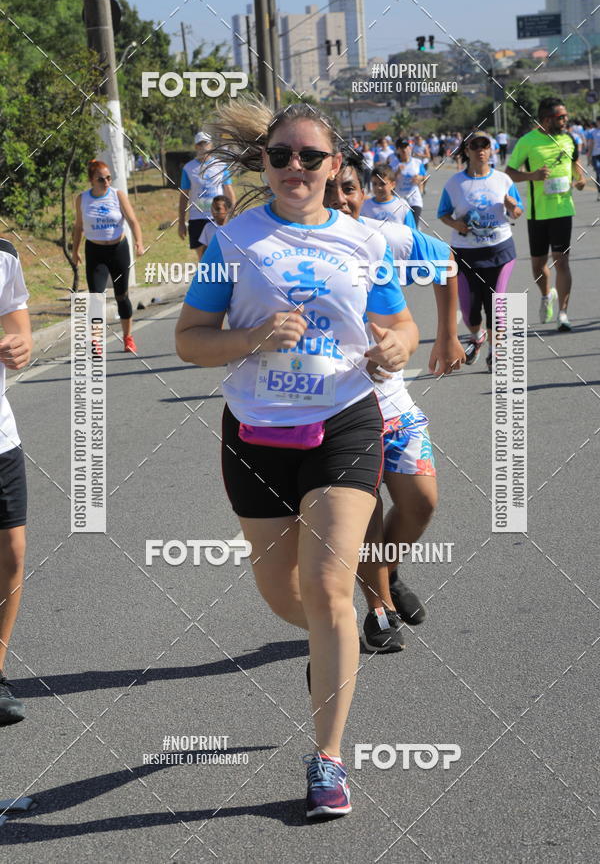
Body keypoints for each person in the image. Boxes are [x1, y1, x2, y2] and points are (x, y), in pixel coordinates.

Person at [175, 98, 418, 818]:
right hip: (255, 431)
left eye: (310, 157)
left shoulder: (364, 240)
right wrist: (252, 340)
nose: (295, 168)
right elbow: (190, 338)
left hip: (344, 419)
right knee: (290, 597)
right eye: (281, 156)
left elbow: (398, 319)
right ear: (266, 162)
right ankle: (327, 642)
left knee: (330, 588)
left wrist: (398, 344)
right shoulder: (232, 241)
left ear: (333, 166)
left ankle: (329, 761)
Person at [324, 150, 465, 652]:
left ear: (363, 193)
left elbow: (447, 262)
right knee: (364, 514)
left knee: (421, 502)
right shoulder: (290, 249)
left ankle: (386, 567)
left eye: (349, 189)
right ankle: (378, 611)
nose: (340, 200)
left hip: (394, 403)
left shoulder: (383, 238)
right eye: (330, 190)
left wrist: (447, 337)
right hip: (336, 412)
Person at [439, 131, 523, 371]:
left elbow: (517, 212)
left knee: (496, 303)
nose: (480, 150)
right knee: (468, 311)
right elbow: (443, 213)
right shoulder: (454, 183)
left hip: (500, 250)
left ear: (491, 149)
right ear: (466, 151)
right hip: (466, 253)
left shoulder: (503, 180)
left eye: (484, 145)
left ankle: (495, 352)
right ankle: (477, 337)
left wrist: (513, 207)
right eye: (474, 146)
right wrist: (457, 224)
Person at [506, 96, 585, 332]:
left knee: (562, 261)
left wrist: (579, 179)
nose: (565, 120)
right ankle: (545, 295)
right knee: (538, 265)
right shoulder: (528, 142)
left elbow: (575, 163)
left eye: (565, 116)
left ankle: (563, 312)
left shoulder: (570, 139)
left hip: (563, 209)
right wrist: (532, 176)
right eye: (560, 117)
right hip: (538, 213)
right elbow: (509, 171)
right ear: (546, 119)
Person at [0, 239, 32, 725]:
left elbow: (18, 321)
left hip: (0, 436)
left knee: (11, 551)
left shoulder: (3, 255)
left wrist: (21, 346)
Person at [72, 160, 144, 353]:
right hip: (95, 252)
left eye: (109, 178)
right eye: (101, 179)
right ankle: (95, 340)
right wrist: (75, 250)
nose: (106, 182)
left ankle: (128, 338)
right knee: (96, 297)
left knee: (121, 296)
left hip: (118, 250)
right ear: (91, 180)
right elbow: (78, 226)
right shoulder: (82, 199)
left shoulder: (117, 195)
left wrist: (139, 242)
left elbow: (133, 220)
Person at [178, 131, 236, 262]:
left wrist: (232, 215)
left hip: (218, 217)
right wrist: (181, 222)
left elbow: (229, 192)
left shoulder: (221, 166)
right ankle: (207, 281)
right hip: (197, 218)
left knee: (223, 255)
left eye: (206, 144)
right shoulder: (188, 168)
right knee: (204, 260)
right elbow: (183, 197)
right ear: (195, 147)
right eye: (200, 144)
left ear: (211, 145)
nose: (203, 147)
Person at [389, 139, 426, 227]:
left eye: (406, 147)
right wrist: (397, 172)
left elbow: (425, 176)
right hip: (400, 200)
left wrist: (419, 178)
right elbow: (387, 181)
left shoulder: (417, 162)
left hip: (414, 199)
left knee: (414, 227)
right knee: (403, 227)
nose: (404, 150)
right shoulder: (393, 164)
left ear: (410, 148)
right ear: (398, 150)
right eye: (401, 148)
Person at [196, 195, 232, 260]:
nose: (214, 212)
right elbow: (205, 248)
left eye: (218, 209)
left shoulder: (233, 226)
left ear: (227, 210)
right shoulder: (208, 227)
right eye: (212, 209)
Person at [585, 115, 600, 200]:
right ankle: (599, 192)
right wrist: (588, 158)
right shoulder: (592, 132)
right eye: (599, 121)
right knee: (598, 174)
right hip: (595, 156)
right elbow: (590, 145)